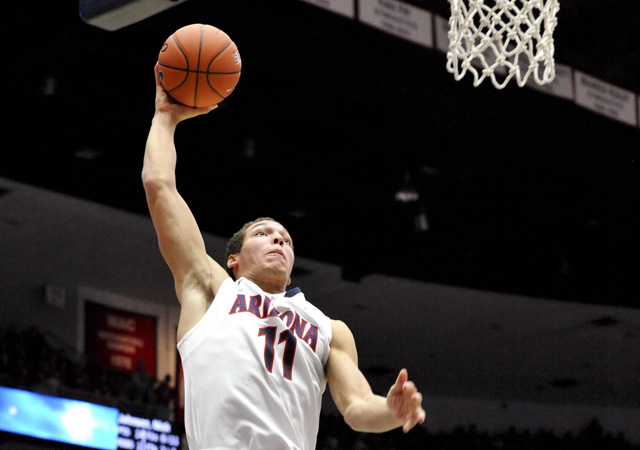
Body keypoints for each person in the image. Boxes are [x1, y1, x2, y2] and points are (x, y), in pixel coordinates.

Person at [142, 66, 426, 450]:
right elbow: (159, 186)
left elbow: (358, 407)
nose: (278, 239)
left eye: (286, 239)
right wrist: (165, 118)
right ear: (234, 260)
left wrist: (393, 412)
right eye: (263, 234)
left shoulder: (330, 329)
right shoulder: (210, 290)